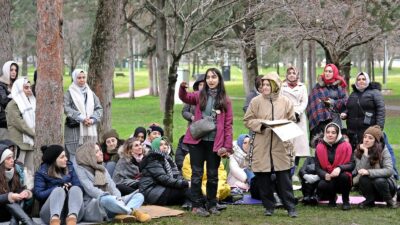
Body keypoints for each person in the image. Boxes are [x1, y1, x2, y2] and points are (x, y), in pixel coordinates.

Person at [179, 67, 233, 217]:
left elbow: (228, 124)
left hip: (215, 143)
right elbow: (185, 98)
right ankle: (196, 205)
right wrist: (182, 89)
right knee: (196, 174)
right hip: (197, 141)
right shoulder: (199, 95)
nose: (210, 80)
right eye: (208, 77)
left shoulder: (225, 100)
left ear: (219, 79)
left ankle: (211, 204)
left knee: (212, 174)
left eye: (213, 77)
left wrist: (227, 146)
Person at [243, 72, 298, 218]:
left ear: (275, 86)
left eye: (268, 84)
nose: (264, 87)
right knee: (263, 178)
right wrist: (262, 125)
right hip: (262, 145)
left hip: (281, 145)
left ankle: (290, 207)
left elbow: (292, 119)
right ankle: (269, 206)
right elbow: (247, 120)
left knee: (284, 179)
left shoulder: (286, 101)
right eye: (263, 85)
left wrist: (284, 125)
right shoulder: (255, 101)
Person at [74, 142, 151, 223]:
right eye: (96, 152)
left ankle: (121, 214)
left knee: (139, 195)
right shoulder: (81, 170)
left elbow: (112, 186)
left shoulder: (102, 168)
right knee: (106, 199)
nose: (101, 153)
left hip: (114, 202)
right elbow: (91, 190)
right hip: (97, 205)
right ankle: (132, 212)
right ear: (88, 156)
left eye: (100, 150)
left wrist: (118, 198)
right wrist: (113, 199)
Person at [34, 145, 84, 225]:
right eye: (62, 157)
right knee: (58, 190)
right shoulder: (41, 173)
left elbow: (80, 187)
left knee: (76, 188)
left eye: (65, 156)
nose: (66, 159)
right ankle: (55, 221)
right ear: (54, 160)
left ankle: (72, 219)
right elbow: (39, 195)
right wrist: (58, 187)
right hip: (49, 214)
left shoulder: (70, 167)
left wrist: (70, 188)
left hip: (72, 213)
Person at [64, 69, 103, 163]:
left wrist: (92, 120)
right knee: (75, 159)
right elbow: (66, 108)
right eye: (79, 78)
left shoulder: (90, 93)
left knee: (90, 157)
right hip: (75, 131)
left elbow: (99, 108)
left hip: (89, 129)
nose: (81, 80)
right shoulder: (69, 93)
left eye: (83, 77)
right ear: (74, 78)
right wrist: (81, 118)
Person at [354, 125, 397, 208]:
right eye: (365, 137)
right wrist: (365, 153)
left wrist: (369, 172)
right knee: (363, 178)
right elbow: (360, 170)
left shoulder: (383, 150)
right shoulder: (358, 151)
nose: (366, 140)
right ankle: (369, 201)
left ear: (376, 141)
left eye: (370, 138)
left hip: (386, 186)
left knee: (379, 180)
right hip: (370, 188)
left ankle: (390, 201)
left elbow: (389, 171)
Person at [140, 137, 191, 206]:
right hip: (151, 192)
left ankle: (189, 203)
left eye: (166, 144)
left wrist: (186, 182)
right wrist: (185, 184)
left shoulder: (167, 159)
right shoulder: (153, 159)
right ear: (155, 146)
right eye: (161, 145)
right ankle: (195, 204)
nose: (164, 147)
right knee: (186, 190)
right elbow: (164, 179)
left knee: (190, 188)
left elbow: (176, 175)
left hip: (162, 188)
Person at [340, 72, 385, 150]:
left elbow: (381, 110)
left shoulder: (375, 93)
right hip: (352, 131)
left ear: (367, 80)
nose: (361, 81)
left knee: (369, 154)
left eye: (363, 79)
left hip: (368, 131)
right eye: (359, 79)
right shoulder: (353, 94)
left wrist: (378, 129)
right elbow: (349, 108)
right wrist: (345, 114)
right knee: (355, 154)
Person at [314, 122, 354, 210]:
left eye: (333, 132)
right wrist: (324, 174)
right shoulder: (319, 147)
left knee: (344, 176)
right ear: (325, 133)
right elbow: (317, 167)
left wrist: (340, 168)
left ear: (337, 134)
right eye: (328, 132)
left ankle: (346, 201)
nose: (330, 135)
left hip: (342, 178)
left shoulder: (347, 146)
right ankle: (331, 199)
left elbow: (352, 165)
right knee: (322, 185)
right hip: (329, 177)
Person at [306, 64, 347, 144]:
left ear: (334, 73)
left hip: (335, 119)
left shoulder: (339, 87)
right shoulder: (317, 87)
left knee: (336, 144)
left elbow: (345, 101)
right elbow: (312, 104)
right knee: (322, 146)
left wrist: (333, 102)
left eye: (330, 71)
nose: (327, 73)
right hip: (321, 121)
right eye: (326, 71)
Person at [281, 66, 310, 180]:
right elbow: (281, 100)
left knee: (298, 147)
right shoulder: (282, 86)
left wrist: (298, 112)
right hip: (286, 116)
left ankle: (294, 171)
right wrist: (288, 112)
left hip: (299, 117)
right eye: (289, 73)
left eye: (294, 73)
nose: (292, 75)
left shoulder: (302, 86)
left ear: (297, 75)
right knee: (287, 145)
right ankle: (287, 170)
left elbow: (304, 101)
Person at [5, 78, 36, 181]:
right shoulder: (12, 104)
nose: (29, 90)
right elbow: (20, 124)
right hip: (19, 142)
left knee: (30, 171)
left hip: (30, 142)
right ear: (19, 88)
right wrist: (35, 133)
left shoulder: (30, 103)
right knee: (18, 170)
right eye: (26, 88)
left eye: (29, 87)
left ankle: (29, 191)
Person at [0, 145, 36, 225]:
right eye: (8, 158)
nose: (12, 160)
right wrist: (9, 196)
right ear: (1, 161)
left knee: (20, 197)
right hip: (1, 213)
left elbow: (18, 189)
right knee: (9, 199)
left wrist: (26, 193)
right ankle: (28, 222)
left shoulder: (15, 171)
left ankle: (14, 222)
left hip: (13, 213)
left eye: (12, 157)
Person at [0, 60, 18, 139]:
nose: (14, 72)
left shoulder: (15, 85)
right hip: (3, 124)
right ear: (6, 70)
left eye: (15, 70)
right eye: (11, 70)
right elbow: (4, 101)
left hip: (14, 124)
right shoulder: (1, 85)